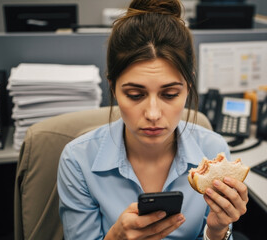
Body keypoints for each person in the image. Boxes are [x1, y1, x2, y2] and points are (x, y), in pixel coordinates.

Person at [57, 0, 248, 239]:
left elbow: (216, 233)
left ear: (188, 88)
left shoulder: (213, 151)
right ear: (113, 89)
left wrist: (218, 230)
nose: (153, 114)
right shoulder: (77, 160)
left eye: (170, 94)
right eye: (135, 95)